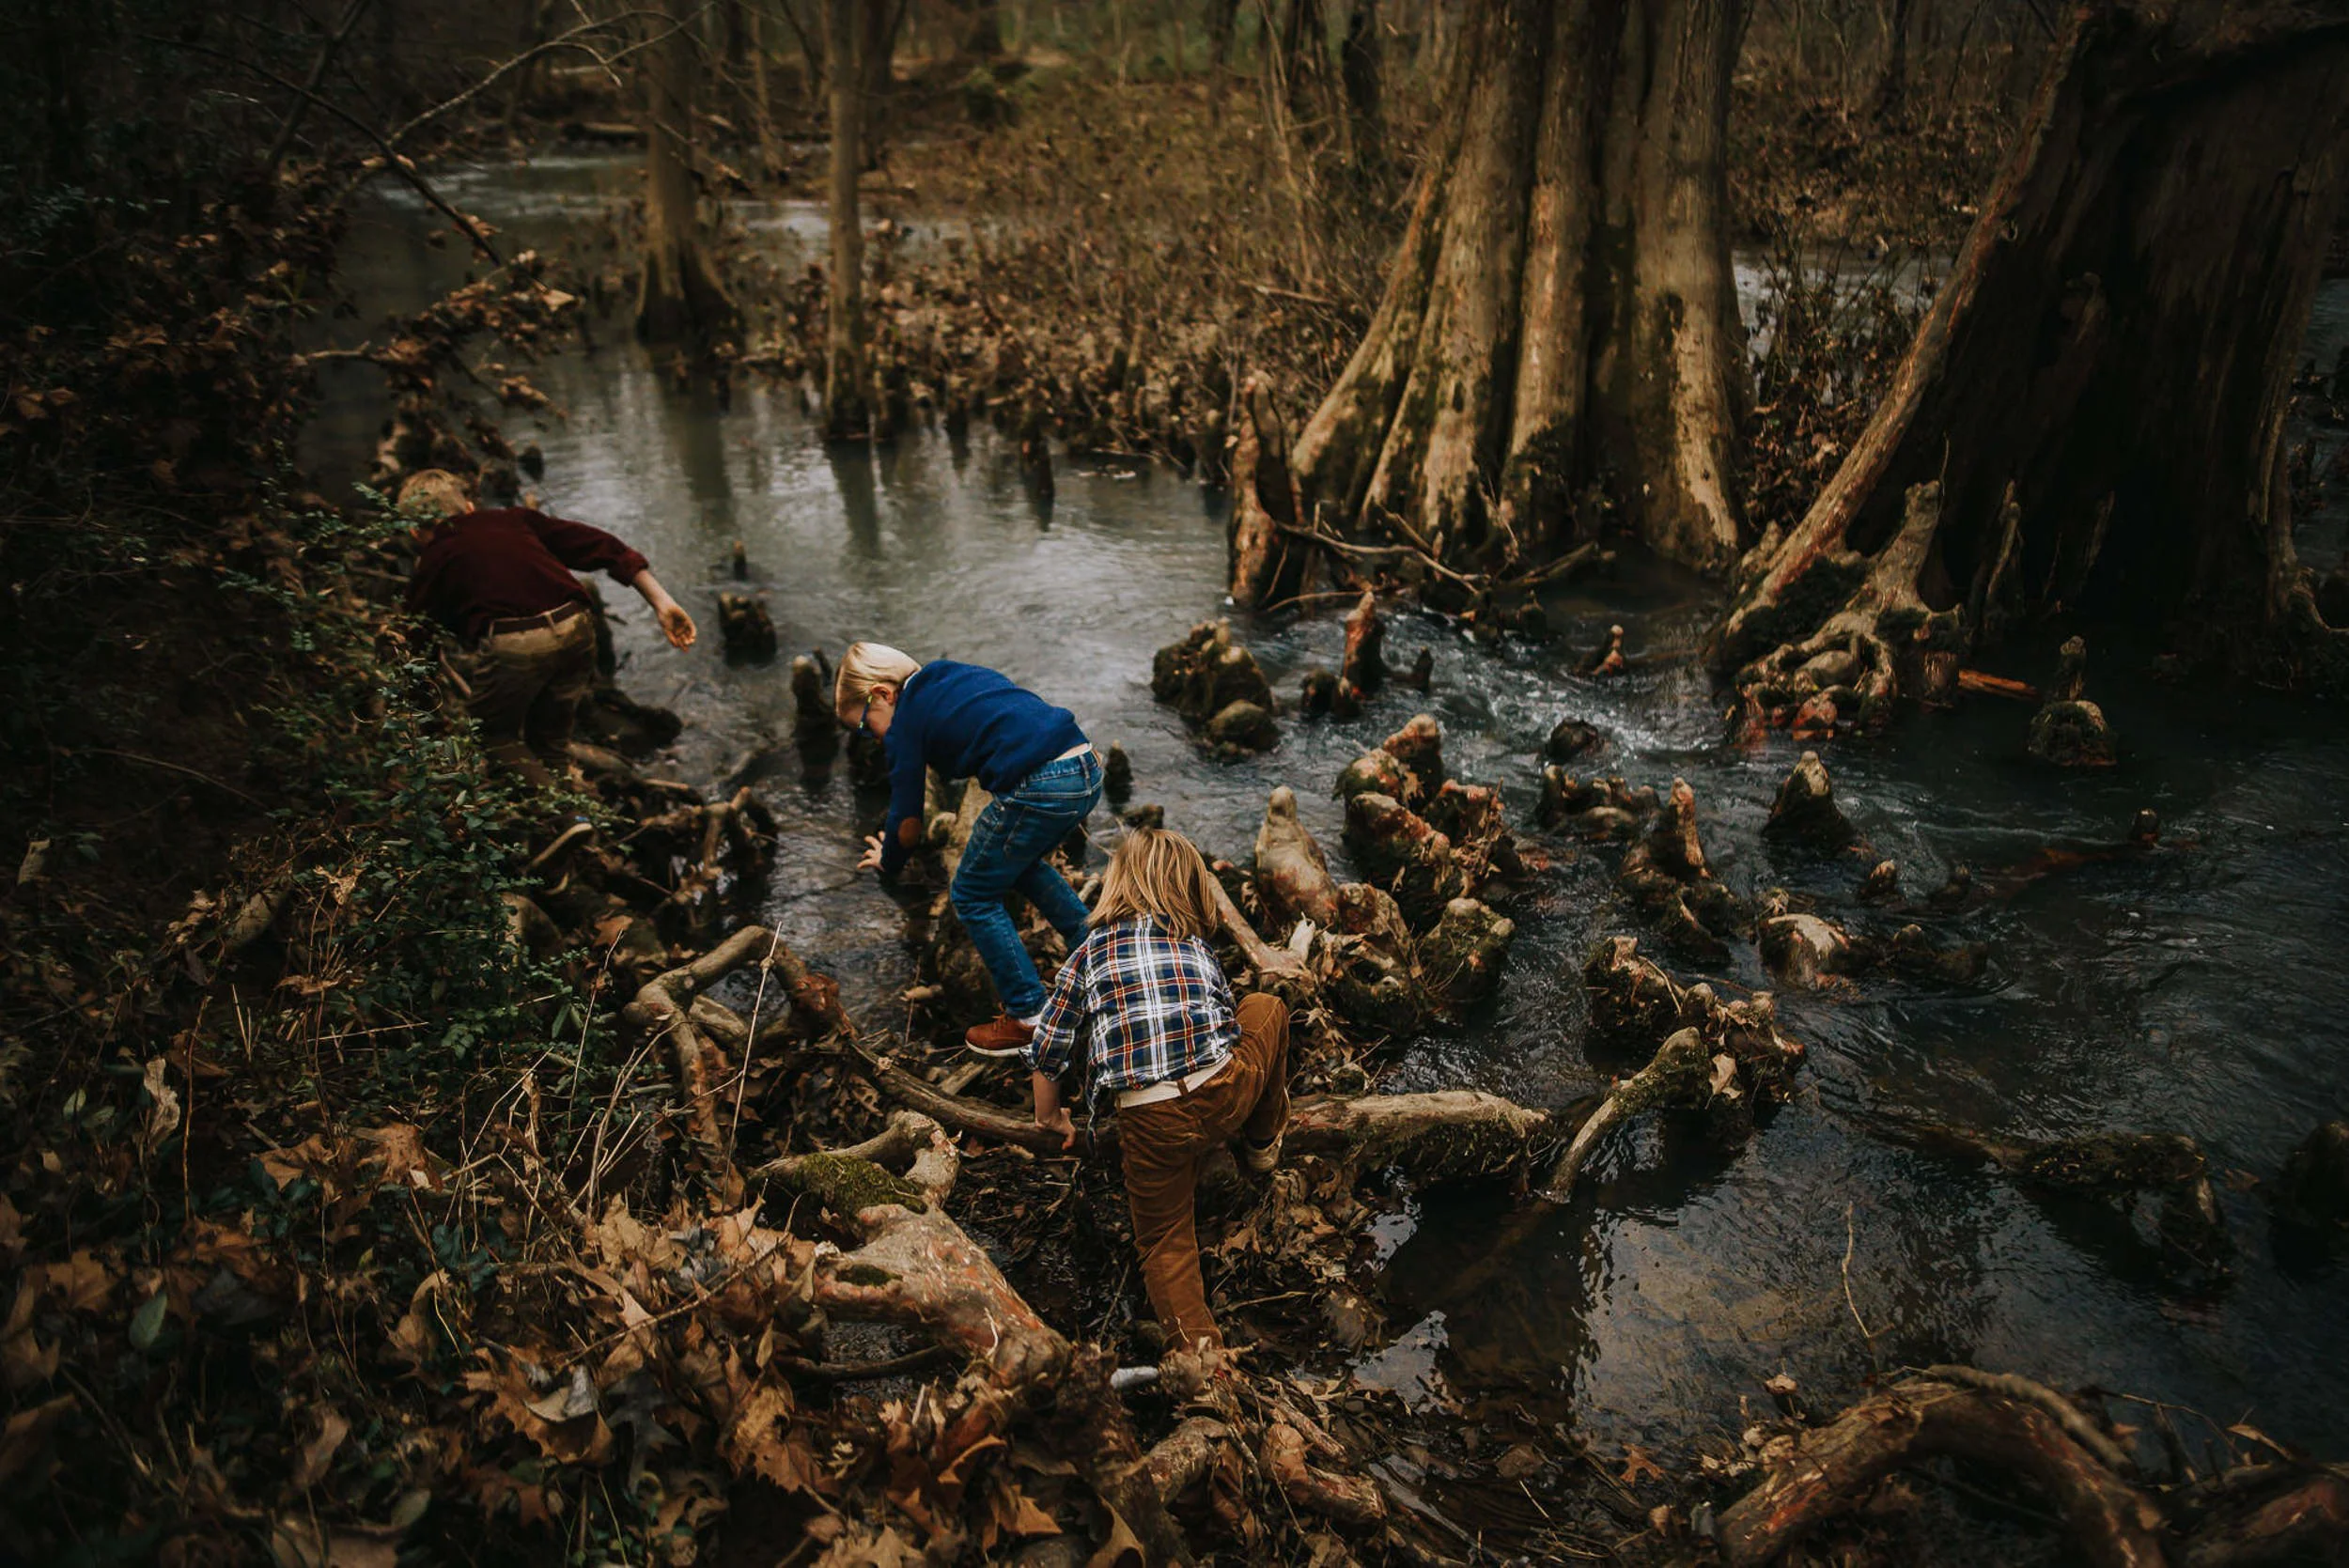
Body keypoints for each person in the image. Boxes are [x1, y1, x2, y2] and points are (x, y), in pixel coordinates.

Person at [1026, 827, 1289, 1354]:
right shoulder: (1193, 944)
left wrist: (1050, 1119)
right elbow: (1224, 1022)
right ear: (1186, 887)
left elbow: (1049, 1044)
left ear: (1117, 884)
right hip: (1222, 1091)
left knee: (1166, 1244)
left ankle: (1203, 1363)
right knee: (1268, 1009)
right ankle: (1261, 1144)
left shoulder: (1088, 953)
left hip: (1150, 1120)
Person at [836, 642, 1101, 1055]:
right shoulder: (949, 676)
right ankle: (1102, 959)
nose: (872, 738)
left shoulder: (905, 721)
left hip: (1039, 785)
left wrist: (888, 861)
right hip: (1084, 767)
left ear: (882, 695)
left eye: (866, 727)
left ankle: (1029, 1015)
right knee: (1021, 864)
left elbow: (907, 823)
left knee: (972, 893)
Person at [400, 470, 696, 787]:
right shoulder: (513, 519)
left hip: (517, 642)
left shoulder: (433, 560)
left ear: (415, 532)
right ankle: (577, 818)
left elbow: (418, 639)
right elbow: (601, 545)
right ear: (470, 507)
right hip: (577, 627)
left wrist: (423, 712)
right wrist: (661, 603)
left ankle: (566, 820)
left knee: (494, 735)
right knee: (550, 741)